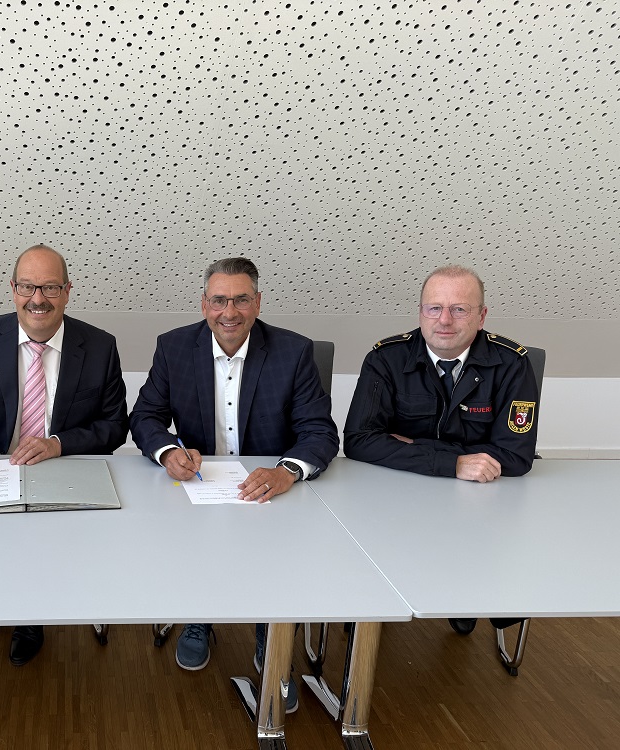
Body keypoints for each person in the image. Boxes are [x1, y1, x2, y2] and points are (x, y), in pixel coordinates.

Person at [129, 257, 338, 699]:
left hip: (268, 491)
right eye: (219, 300)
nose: (230, 312)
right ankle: (199, 616)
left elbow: (320, 431)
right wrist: (167, 452)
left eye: (241, 299)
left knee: (275, 557)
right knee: (194, 540)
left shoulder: (293, 351)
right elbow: (146, 415)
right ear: (204, 304)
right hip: (199, 484)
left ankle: (269, 632)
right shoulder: (173, 347)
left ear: (258, 303)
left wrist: (287, 471)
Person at [0, 244, 129, 666]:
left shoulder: (101, 346)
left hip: (65, 468)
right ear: (13, 289)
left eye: (50, 287)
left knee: (53, 546)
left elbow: (115, 427)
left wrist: (58, 444)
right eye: (28, 287)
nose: (38, 299)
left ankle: (31, 617)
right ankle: (2, 598)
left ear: (68, 291)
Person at [343, 264, 539, 632]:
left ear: (481, 317)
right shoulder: (386, 359)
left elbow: (515, 455)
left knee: (508, 551)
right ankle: (372, 611)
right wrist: (455, 461)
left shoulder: (512, 363)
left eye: (459, 309)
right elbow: (358, 440)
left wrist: (414, 446)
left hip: (478, 503)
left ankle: (464, 591)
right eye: (434, 308)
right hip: (397, 496)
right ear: (421, 312)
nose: (444, 320)